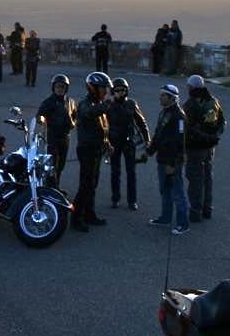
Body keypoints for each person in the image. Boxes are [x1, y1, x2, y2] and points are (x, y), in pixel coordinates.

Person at [70, 72, 112, 232]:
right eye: (103, 88)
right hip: (87, 150)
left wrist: (107, 143)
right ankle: (75, 218)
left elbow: (103, 128)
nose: (106, 91)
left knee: (92, 184)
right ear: (92, 88)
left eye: (106, 88)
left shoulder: (99, 104)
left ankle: (89, 214)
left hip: (96, 149)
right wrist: (107, 104)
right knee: (85, 185)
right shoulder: (85, 104)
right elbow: (89, 113)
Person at [146, 84, 189, 235]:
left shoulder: (179, 116)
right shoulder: (163, 112)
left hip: (172, 161)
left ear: (172, 98)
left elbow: (180, 141)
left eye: (163, 95)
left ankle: (183, 223)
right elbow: (158, 134)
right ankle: (165, 217)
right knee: (164, 190)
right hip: (162, 158)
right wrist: (150, 152)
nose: (160, 97)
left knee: (177, 192)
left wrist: (173, 163)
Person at [183, 75, 226, 222]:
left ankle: (195, 211)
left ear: (191, 88)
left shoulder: (189, 105)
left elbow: (186, 129)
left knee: (195, 179)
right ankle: (207, 209)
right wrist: (214, 138)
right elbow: (222, 122)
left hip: (195, 148)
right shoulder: (213, 102)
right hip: (210, 148)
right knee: (207, 178)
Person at [107, 77, 150, 211]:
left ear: (127, 91)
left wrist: (147, 139)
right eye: (118, 90)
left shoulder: (131, 103)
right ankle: (115, 198)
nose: (120, 93)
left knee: (131, 172)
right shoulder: (108, 104)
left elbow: (141, 122)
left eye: (123, 90)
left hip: (128, 142)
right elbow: (102, 124)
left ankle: (132, 200)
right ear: (113, 91)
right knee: (115, 171)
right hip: (114, 142)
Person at [36, 74, 75, 188]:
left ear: (66, 88)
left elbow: (76, 115)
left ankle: (56, 187)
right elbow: (39, 115)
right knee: (52, 165)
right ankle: (50, 188)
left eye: (62, 87)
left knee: (61, 165)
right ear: (53, 88)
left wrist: (73, 123)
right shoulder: (49, 102)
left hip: (65, 136)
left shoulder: (70, 101)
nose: (60, 89)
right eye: (57, 87)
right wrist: (42, 120)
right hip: (52, 136)